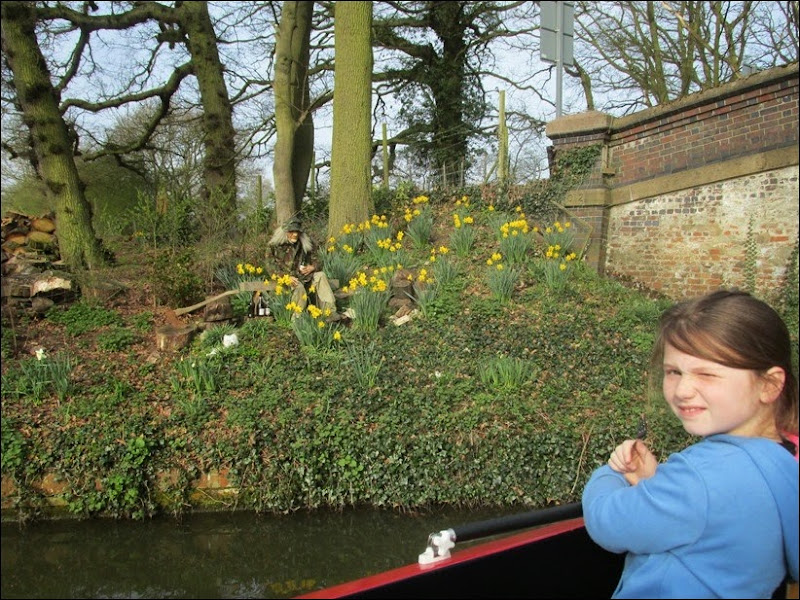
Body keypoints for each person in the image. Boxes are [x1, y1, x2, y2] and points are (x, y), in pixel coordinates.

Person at [582, 289, 799, 599]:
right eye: (674, 372)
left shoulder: (701, 477)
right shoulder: (784, 459)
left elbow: (607, 522)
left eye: (706, 374)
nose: (683, 390)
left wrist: (610, 473)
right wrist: (656, 481)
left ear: (769, 385)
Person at [267, 216, 338, 318]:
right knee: (298, 286)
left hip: (304, 277)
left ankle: (330, 312)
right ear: (285, 231)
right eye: (292, 231)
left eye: (297, 232)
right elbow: (270, 266)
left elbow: (317, 259)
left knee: (321, 276)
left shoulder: (305, 243)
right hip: (285, 281)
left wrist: (313, 267)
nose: (295, 234)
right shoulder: (274, 246)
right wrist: (285, 277)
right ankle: (297, 318)